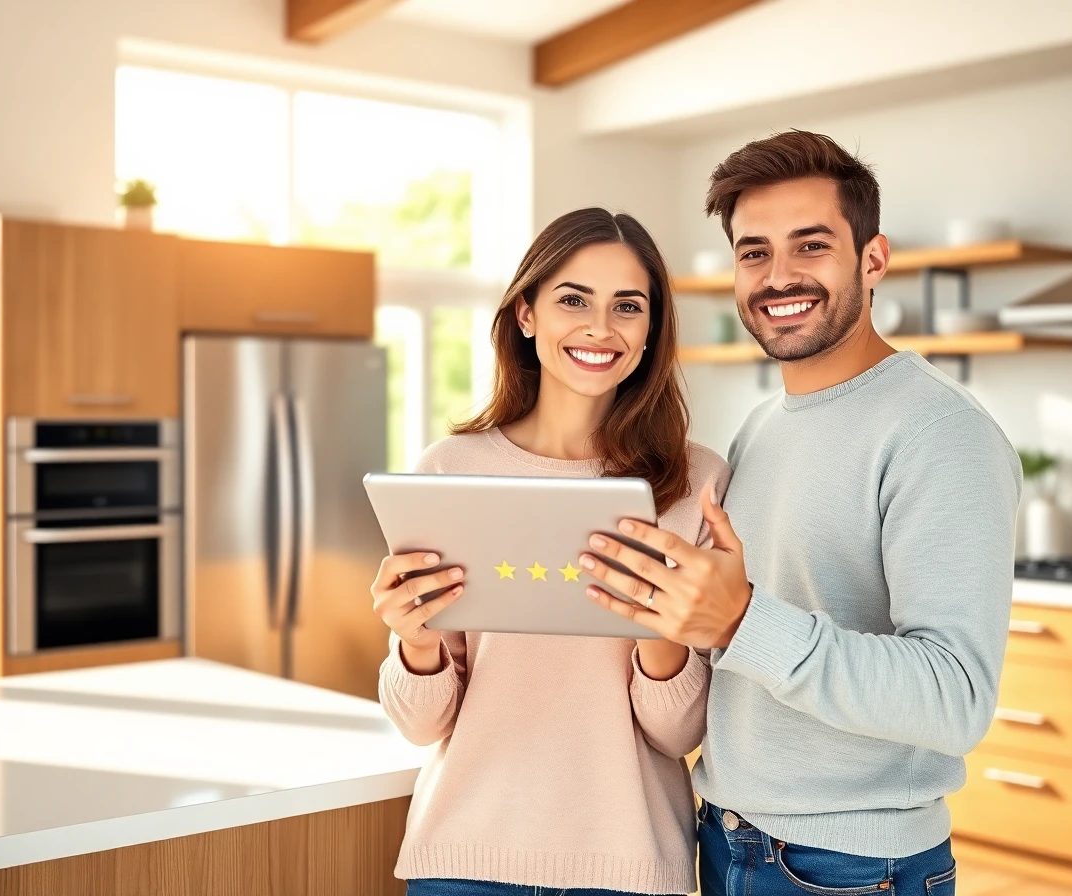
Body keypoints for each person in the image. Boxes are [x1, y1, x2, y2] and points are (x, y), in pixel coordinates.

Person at [582, 131, 1022, 896]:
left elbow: (956, 700)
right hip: (724, 837)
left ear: (873, 259)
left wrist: (739, 621)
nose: (778, 276)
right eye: (753, 252)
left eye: (810, 245)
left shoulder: (940, 433)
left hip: (849, 869)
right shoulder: (764, 427)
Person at [372, 206, 732, 896]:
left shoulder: (698, 484)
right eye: (574, 299)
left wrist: (656, 628)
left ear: (651, 329)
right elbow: (421, 724)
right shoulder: (451, 469)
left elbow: (679, 733)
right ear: (526, 314)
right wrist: (411, 636)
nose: (601, 327)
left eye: (629, 306)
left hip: (628, 865)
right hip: (464, 859)